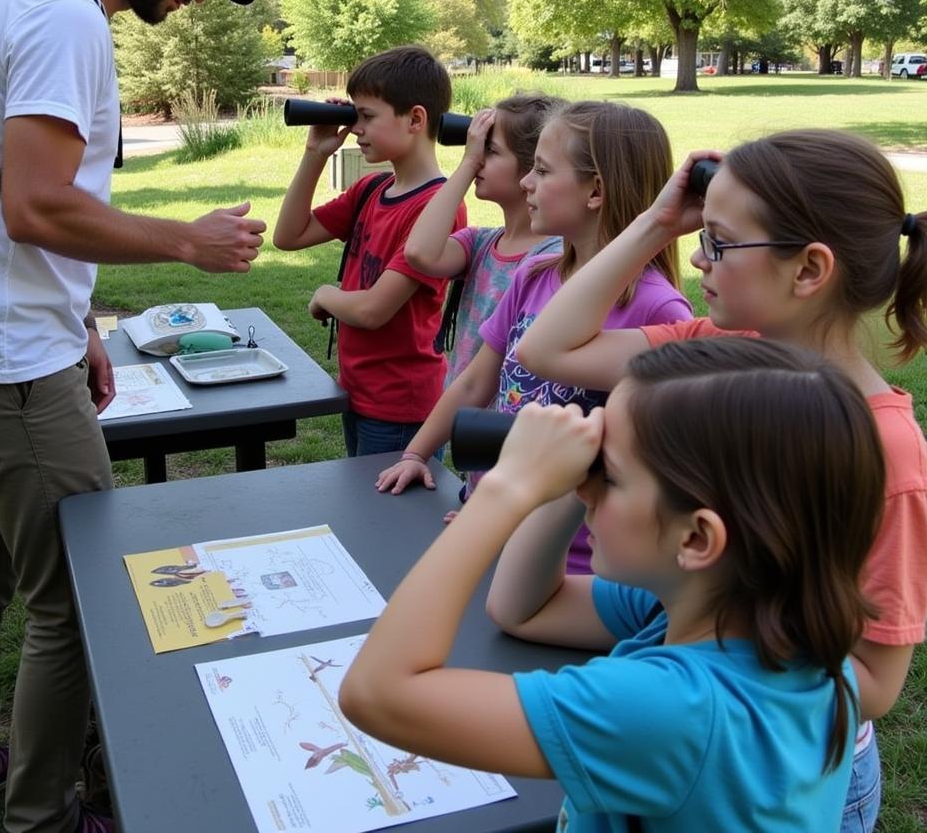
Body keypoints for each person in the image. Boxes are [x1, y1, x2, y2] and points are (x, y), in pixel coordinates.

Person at [0, 0, 265, 833]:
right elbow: (33, 205)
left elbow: (9, 201)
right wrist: (185, 239)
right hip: (10, 370)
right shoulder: (67, 19)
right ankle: (42, 812)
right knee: (80, 596)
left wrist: (86, 328)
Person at [515, 130, 927, 831]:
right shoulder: (717, 351)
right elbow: (546, 347)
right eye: (701, 236)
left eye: (720, 244)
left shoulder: (886, 446)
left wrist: (708, 701)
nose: (699, 258)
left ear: (807, 270)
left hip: (781, 771)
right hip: (685, 717)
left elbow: (879, 681)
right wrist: (655, 223)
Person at [341, 338, 885, 831]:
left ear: (697, 539)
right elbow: (522, 608)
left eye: (611, 474)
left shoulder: (677, 712)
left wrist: (505, 491)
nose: (589, 484)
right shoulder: (758, 623)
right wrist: (568, 482)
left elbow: (377, 694)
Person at [376, 101, 691, 574]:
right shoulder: (535, 274)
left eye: (542, 170)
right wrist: (417, 453)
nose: (526, 182)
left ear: (596, 191)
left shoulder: (659, 311)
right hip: (492, 521)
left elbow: (656, 464)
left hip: (572, 562)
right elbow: (473, 384)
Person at [272, 45, 464, 457]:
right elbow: (288, 236)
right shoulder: (371, 190)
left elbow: (374, 311)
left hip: (401, 406)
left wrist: (326, 294)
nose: (355, 129)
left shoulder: (437, 209)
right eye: (353, 115)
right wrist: (314, 154)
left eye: (367, 116)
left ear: (415, 119)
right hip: (358, 390)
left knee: (389, 519)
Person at [403, 93, 564, 385]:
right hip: (459, 416)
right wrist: (468, 163)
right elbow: (418, 253)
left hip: (503, 424)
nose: (477, 160)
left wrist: (469, 162)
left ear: (533, 166)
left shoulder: (555, 257)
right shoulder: (481, 244)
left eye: (490, 151)